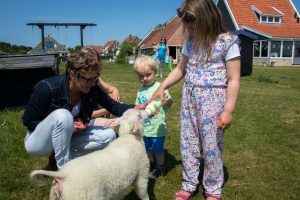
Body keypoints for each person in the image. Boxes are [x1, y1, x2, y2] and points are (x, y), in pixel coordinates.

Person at [149, 0, 241, 199]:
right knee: (188, 142)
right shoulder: (190, 41)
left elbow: (233, 80)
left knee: (211, 146)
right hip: (189, 100)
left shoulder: (227, 42)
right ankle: (189, 183)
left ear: (208, 19)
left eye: (193, 26)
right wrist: (163, 85)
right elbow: (181, 69)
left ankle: (213, 188)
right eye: (187, 27)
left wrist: (228, 110)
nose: (189, 30)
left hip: (213, 102)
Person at [22, 48, 144, 170]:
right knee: (63, 116)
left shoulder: (92, 88)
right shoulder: (46, 88)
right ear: (73, 74)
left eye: (95, 78)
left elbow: (113, 106)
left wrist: (136, 108)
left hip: (68, 137)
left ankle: (64, 159)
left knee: (109, 135)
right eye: (88, 79)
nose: (92, 83)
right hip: (38, 143)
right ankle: (63, 172)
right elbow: (29, 122)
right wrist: (68, 126)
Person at [133, 55, 173, 180]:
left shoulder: (160, 87)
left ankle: (160, 166)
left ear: (155, 72)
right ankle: (150, 163)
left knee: (158, 149)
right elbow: (137, 106)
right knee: (147, 148)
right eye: (140, 76)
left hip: (157, 127)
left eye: (148, 74)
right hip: (145, 127)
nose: (144, 78)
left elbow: (170, 103)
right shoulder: (140, 90)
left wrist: (166, 101)